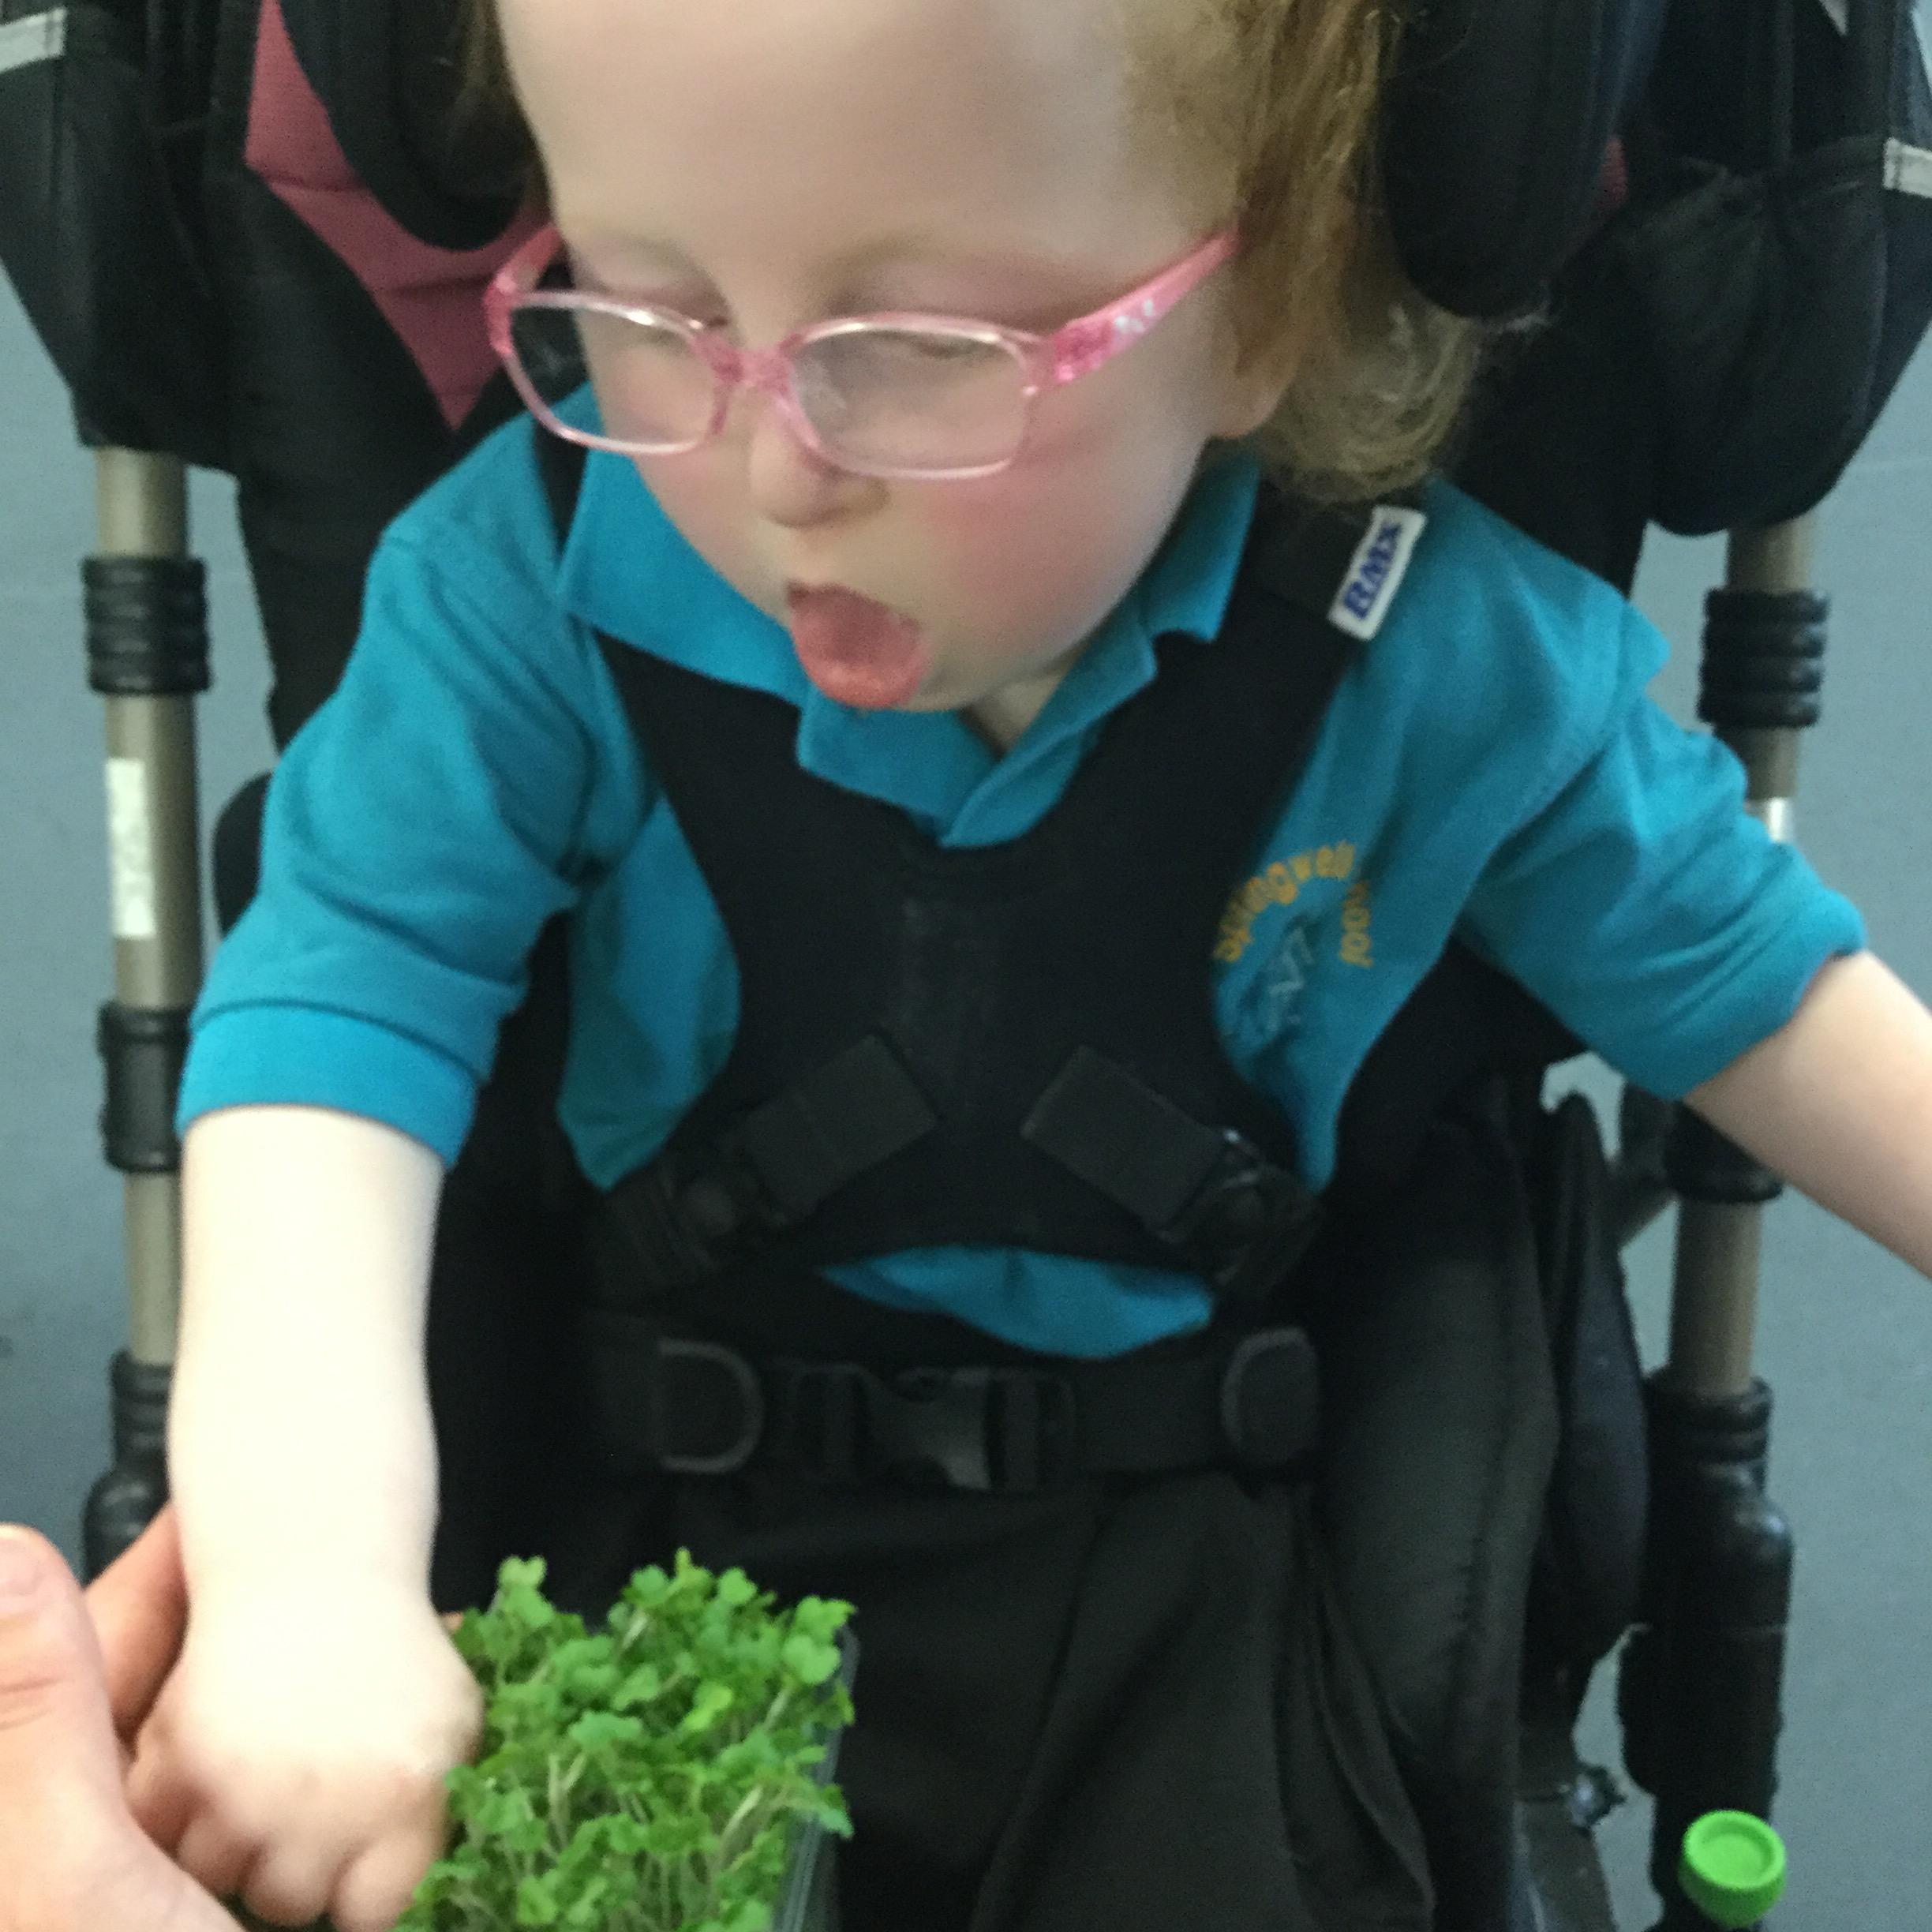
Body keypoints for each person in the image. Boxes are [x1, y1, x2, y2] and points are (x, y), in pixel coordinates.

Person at [116, 0, 1932, 1930]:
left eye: (911, 352)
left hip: (1194, 1573)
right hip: (643, 1512)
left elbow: (1765, 993)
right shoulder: (529, 603)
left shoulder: (1426, 659)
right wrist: (305, 1581)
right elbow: (335, 1027)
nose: (774, 473)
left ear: (1267, 312)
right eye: (648, 306)